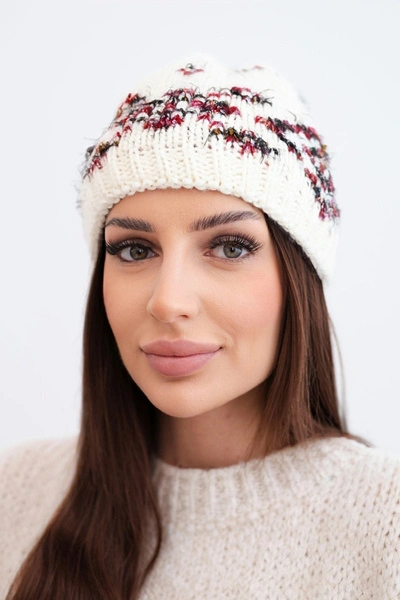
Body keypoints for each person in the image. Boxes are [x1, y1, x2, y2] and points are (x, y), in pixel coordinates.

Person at [1, 54, 400, 600]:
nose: (168, 301)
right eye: (134, 249)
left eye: (230, 247)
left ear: (299, 277)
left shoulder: (384, 521)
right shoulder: (18, 494)